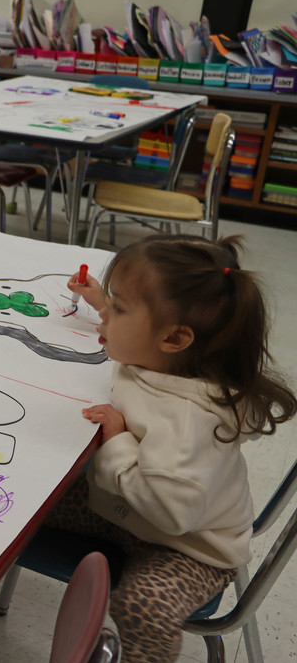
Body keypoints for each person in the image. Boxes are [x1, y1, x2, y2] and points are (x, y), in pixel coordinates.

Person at [54, 233, 297, 662]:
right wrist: (100, 301)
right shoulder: (165, 357)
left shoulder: (187, 424)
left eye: (119, 309)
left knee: (142, 606)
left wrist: (119, 441)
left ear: (175, 339)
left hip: (189, 546)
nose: (106, 319)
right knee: (31, 498)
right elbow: (140, 325)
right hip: (131, 510)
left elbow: (171, 513)